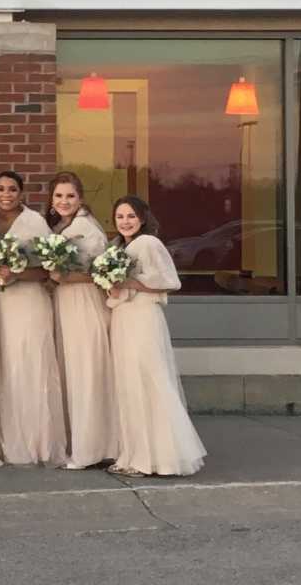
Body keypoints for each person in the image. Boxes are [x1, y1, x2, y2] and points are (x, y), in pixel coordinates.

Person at [105, 195, 207, 477]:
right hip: (123, 317)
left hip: (143, 318)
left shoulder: (148, 243)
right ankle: (133, 453)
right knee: (128, 385)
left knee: (148, 381)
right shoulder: (118, 247)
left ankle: (153, 457)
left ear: (142, 218)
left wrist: (130, 281)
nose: (125, 221)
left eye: (130, 216)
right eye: (120, 217)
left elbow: (169, 281)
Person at [0, 170, 68, 467]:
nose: (6, 194)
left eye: (12, 189)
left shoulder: (34, 222)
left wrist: (18, 274)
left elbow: (50, 268)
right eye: (0, 189)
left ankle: (38, 443)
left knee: (31, 366)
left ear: (21, 193)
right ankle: (8, 440)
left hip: (29, 301)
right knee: (5, 368)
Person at [46, 171, 117, 470]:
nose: (64, 201)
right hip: (67, 303)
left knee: (86, 373)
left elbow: (99, 274)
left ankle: (91, 449)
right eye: (59, 196)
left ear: (81, 199)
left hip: (84, 303)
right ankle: (89, 442)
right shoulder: (65, 226)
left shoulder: (86, 229)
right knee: (75, 373)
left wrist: (63, 276)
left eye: (70, 196)